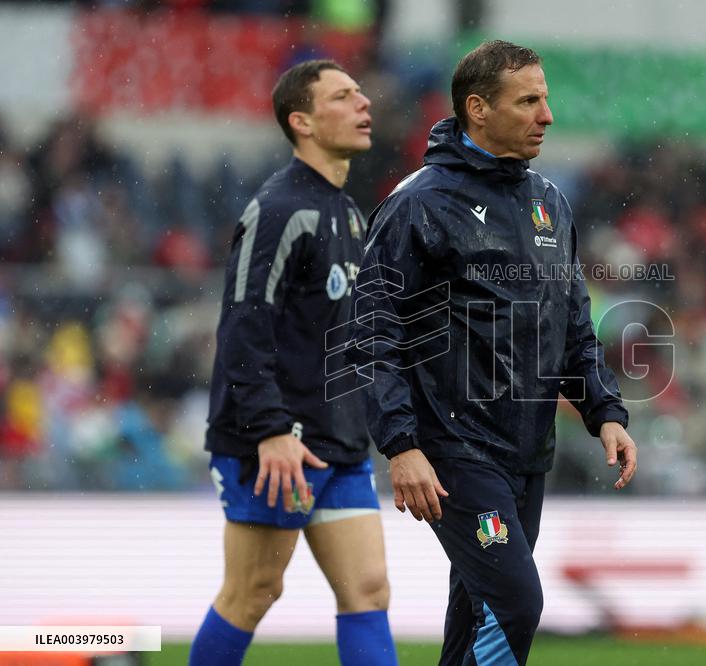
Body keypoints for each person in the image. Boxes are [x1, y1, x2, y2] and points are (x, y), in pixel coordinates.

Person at [351, 40, 638, 666]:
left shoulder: (548, 203)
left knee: (479, 612)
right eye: (529, 101)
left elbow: (569, 323)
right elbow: (374, 332)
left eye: (546, 99)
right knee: (514, 605)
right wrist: (401, 445)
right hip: (453, 448)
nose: (547, 115)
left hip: (527, 449)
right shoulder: (419, 203)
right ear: (477, 109)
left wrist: (604, 410)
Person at [189, 59, 397, 666]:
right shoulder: (280, 208)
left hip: (339, 440)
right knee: (253, 591)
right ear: (301, 121)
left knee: (368, 589)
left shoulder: (351, 213)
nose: (364, 104)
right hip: (276, 441)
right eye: (343, 96)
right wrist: (271, 430)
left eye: (362, 92)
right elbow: (243, 325)